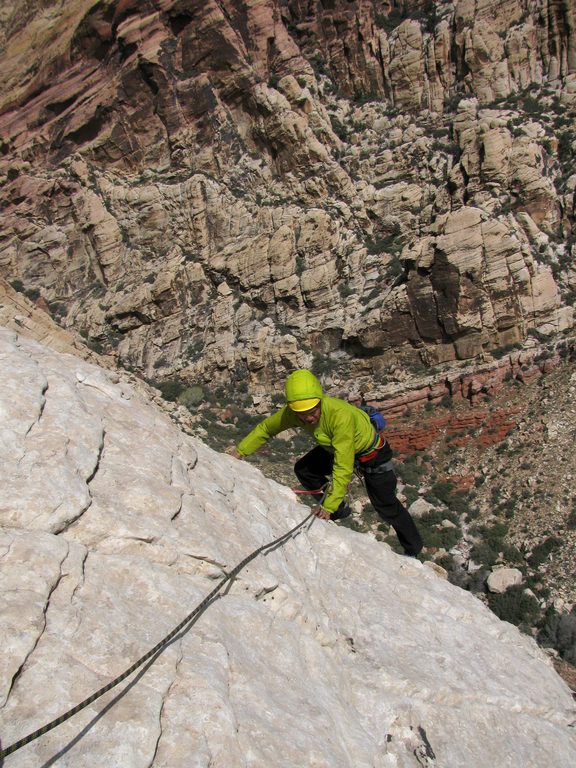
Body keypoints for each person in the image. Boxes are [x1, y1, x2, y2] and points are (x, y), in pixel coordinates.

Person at [227, 369, 423, 556]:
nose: (309, 418)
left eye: (313, 411)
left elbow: (343, 465)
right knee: (304, 470)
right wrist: (240, 451)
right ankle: (340, 511)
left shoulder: (339, 415)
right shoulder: (292, 413)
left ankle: (413, 549)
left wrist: (328, 505)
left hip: (371, 453)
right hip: (334, 446)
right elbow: (266, 429)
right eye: (302, 414)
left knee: (386, 506)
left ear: (320, 400)